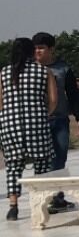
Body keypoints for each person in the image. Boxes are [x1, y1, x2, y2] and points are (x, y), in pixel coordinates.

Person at [1, 37, 57, 220]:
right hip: (37, 124)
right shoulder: (44, 71)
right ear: (31, 52)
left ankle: (13, 206)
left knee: (13, 166)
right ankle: (41, 204)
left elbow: (0, 102)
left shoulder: (4, 73)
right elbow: (53, 100)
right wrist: (44, 114)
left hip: (10, 125)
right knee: (42, 164)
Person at [32, 32, 79, 214]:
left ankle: (57, 198)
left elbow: (73, 94)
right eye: (35, 48)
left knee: (59, 159)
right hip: (38, 121)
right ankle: (42, 198)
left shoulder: (63, 69)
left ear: (51, 49)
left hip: (60, 120)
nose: (37, 51)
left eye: (41, 48)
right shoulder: (30, 70)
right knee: (42, 160)